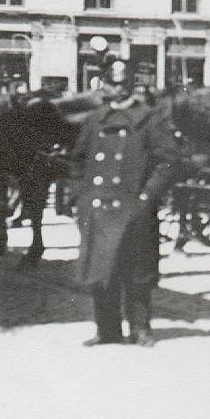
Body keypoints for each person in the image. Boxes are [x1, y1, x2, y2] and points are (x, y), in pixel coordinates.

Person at [70, 56, 179, 347]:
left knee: (136, 271)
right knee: (100, 270)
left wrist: (146, 198)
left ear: (132, 86)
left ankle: (141, 328)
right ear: (103, 84)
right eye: (111, 83)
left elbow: (168, 162)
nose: (116, 89)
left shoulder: (149, 119)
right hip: (97, 207)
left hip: (133, 207)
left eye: (123, 84)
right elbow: (78, 161)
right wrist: (80, 198)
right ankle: (107, 330)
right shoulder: (95, 120)